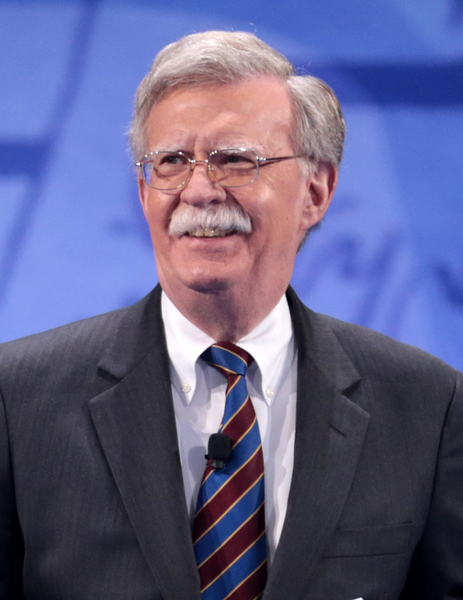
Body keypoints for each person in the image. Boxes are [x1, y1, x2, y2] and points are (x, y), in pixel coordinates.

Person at [1, 30, 462, 600]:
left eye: (235, 161)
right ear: (144, 193)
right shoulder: (16, 400)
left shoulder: (428, 406)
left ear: (315, 192)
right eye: (172, 161)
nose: (198, 191)